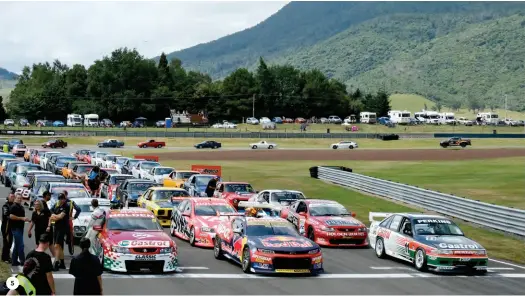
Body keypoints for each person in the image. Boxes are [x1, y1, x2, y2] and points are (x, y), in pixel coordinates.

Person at [49, 193, 69, 271]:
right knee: (59, 246)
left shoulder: (66, 206)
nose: (61, 200)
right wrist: (55, 216)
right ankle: (62, 263)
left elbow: (60, 217)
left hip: (62, 228)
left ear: (65, 199)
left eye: (62, 199)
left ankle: (56, 263)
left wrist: (55, 216)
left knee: (57, 245)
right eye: (60, 199)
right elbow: (51, 212)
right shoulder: (57, 205)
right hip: (56, 227)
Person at [9, 194, 30, 268]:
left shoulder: (21, 207)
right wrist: (21, 218)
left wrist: (26, 219)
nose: (19, 199)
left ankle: (14, 261)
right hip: (15, 228)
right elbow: (11, 216)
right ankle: (23, 261)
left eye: (20, 198)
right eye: (18, 198)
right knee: (21, 245)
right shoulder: (14, 206)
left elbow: (22, 217)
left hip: (20, 228)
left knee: (17, 245)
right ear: (15, 198)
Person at [2, 193, 15, 263]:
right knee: (6, 242)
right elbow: (6, 214)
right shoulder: (5, 206)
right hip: (6, 226)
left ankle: (7, 256)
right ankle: (5, 258)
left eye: (13, 197)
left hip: (11, 227)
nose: (13, 198)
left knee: (10, 242)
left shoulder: (14, 205)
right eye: (11, 197)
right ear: (8, 197)